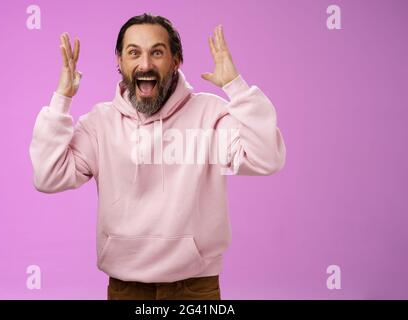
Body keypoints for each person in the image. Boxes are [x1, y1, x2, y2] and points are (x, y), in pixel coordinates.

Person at [29, 13, 286, 300]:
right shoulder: (99, 123)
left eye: (158, 52)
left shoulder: (210, 114)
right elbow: (49, 177)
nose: (146, 64)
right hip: (125, 286)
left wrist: (236, 87)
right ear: (120, 61)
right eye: (134, 52)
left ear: (176, 61)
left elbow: (266, 158)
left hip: (194, 287)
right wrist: (62, 98)